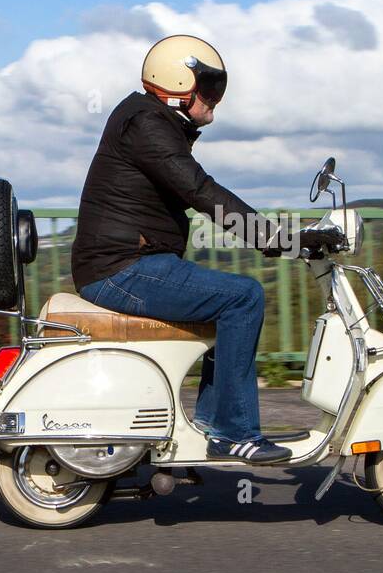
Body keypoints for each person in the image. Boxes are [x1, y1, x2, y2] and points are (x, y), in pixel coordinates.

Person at [70, 35, 319, 464]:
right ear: (177, 86)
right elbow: (201, 191)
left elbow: (198, 192)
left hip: (124, 262)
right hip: (119, 268)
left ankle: (208, 426)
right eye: (209, 88)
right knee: (243, 297)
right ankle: (233, 431)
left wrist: (283, 236)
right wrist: (278, 239)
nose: (215, 100)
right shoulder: (146, 125)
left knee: (225, 299)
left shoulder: (148, 119)